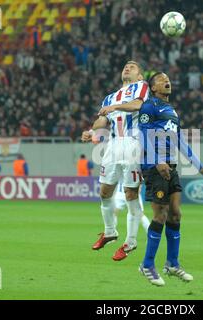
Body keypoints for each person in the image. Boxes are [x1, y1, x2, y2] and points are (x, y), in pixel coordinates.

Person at [100, 72, 203, 286]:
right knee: (160, 215)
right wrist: (157, 161)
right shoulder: (149, 106)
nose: (167, 80)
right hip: (154, 167)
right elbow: (143, 135)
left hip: (170, 167)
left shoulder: (172, 111)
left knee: (176, 215)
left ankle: (172, 263)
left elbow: (180, 141)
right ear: (153, 88)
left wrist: (201, 168)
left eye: (168, 78)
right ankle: (147, 265)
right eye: (161, 79)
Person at [81, 61, 150, 261]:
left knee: (130, 193)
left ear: (139, 76)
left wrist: (114, 107)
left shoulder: (141, 87)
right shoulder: (110, 97)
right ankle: (110, 231)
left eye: (133, 67)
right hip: (113, 144)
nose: (127, 68)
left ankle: (130, 241)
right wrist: (92, 131)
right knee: (104, 191)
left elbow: (138, 105)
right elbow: (103, 120)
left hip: (134, 143)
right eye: (125, 66)